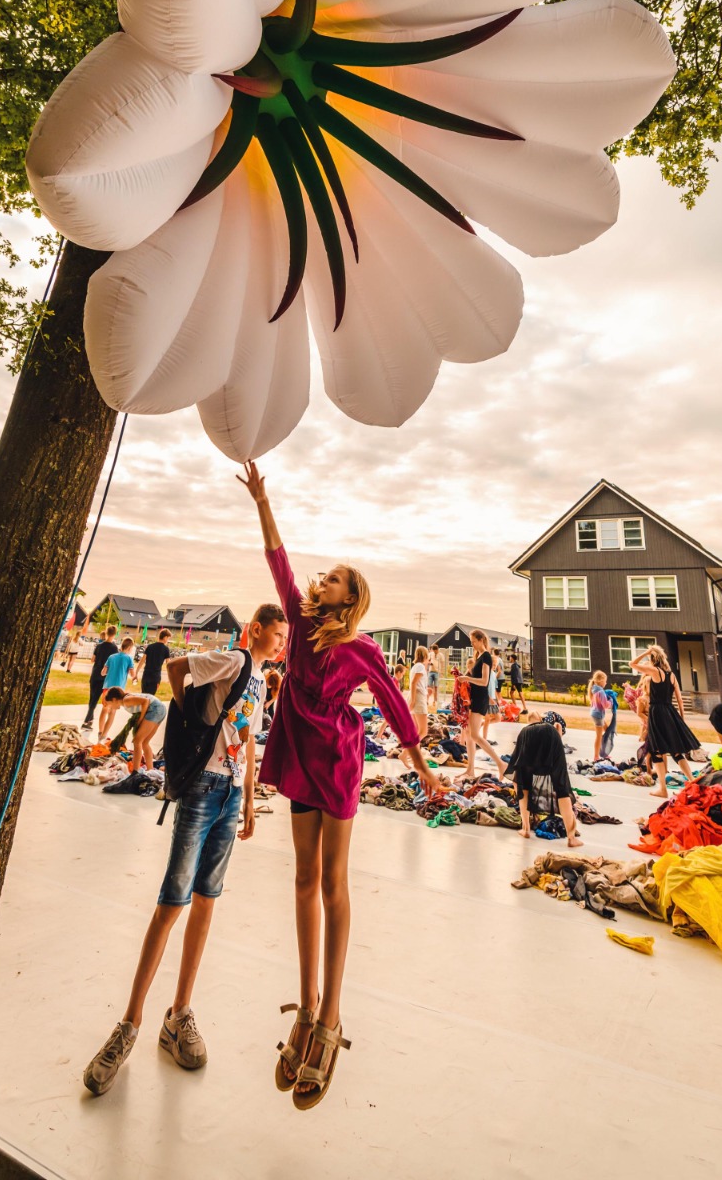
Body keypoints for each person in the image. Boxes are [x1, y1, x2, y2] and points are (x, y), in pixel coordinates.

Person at [239, 460, 440, 1111]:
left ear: (348, 599)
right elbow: (278, 560)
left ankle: (331, 1022)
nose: (318, 580)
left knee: (332, 883)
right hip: (298, 756)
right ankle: (306, 1011)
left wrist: (422, 767)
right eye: (321, 575)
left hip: (341, 763)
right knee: (300, 880)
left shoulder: (365, 650)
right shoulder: (299, 626)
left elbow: (395, 708)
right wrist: (263, 499)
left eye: (332, 579)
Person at [83, 604, 286, 1095]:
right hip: (201, 792)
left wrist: (252, 799)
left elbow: (249, 736)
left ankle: (178, 1015)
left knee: (205, 903)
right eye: (276, 634)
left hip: (232, 795)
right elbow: (177, 668)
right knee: (171, 904)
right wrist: (193, 717)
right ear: (255, 630)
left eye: (284, 638)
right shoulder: (235, 661)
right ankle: (129, 1024)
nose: (281, 643)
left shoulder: (258, 678)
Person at [630, 646, 702, 798]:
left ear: (653, 660)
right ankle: (692, 782)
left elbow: (632, 664)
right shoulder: (672, 676)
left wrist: (646, 652)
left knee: (657, 750)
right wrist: (681, 719)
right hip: (670, 713)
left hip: (657, 713)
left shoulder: (655, 672)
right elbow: (680, 700)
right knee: (676, 751)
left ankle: (662, 789)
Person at [506, 714, 582, 847]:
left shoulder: (525, 731)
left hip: (527, 738)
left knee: (523, 784)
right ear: (541, 720)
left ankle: (526, 829)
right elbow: (558, 734)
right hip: (551, 734)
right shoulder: (550, 728)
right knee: (561, 787)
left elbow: (515, 769)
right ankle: (571, 837)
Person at [453, 630, 507, 782]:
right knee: (470, 734)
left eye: (473, 641)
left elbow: (484, 681)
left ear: (481, 640)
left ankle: (501, 764)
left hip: (479, 700)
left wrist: (467, 678)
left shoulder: (486, 657)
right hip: (474, 699)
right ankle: (470, 770)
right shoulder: (478, 657)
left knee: (475, 735)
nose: (472, 644)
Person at [105, 686, 168, 772]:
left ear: (114, 699)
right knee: (145, 742)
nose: (110, 707)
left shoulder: (126, 701)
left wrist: (141, 720)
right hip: (160, 709)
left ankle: (135, 771)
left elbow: (146, 701)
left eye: (109, 704)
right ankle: (150, 770)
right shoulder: (126, 702)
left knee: (137, 741)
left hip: (155, 709)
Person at [98, 636, 136, 741]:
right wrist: (133, 678)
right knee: (112, 712)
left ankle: (100, 731)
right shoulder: (128, 659)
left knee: (104, 709)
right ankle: (104, 735)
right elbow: (133, 675)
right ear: (129, 647)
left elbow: (103, 672)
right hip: (118, 689)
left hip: (107, 687)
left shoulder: (111, 657)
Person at [82, 625, 118, 730]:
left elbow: (92, 659)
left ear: (106, 633)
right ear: (115, 634)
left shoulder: (99, 646)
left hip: (95, 673)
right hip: (105, 677)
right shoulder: (114, 648)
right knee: (96, 699)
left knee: (92, 697)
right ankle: (87, 720)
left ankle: (89, 719)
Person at [589, 671, 615, 762]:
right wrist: (611, 701)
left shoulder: (594, 689)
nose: (606, 683)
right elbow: (605, 705)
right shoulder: (601, 691)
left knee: (607, 730)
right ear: (600, 681)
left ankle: (604, 753)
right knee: (599, 736)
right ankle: (596, 756)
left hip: (595, 714)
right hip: (598, 715)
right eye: (605, 681)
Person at [139, 627, 173, 696]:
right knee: (150, 697)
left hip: (146, 675)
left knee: (143, 696)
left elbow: (142, 661)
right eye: (168, 638)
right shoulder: (166, 649)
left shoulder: (150, 646)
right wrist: (170, 678)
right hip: (155, 677)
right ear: (165, 637)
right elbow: (168, 665)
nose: (168, 640)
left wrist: (136, 673)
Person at [409, 645, 430, 740]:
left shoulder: (415, 667)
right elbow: (414, 683)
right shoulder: (421, 666)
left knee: (417, 730)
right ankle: (405, 754)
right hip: (418, 697)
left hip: (416, 696)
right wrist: (413, 700)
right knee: (423, 731)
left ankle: (409, 753)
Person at [426, 646, 440, 712]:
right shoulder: (430, 654)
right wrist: (430, 663)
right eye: (434, 651)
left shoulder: (440, 655)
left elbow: (442, 663)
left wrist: (441, 672)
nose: (435, 652)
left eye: (436, 650)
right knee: (429, 686)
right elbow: (427, 661)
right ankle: (427, 700)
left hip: (437, 672)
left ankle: (435, 701)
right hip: (431, 672)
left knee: (436, 687)